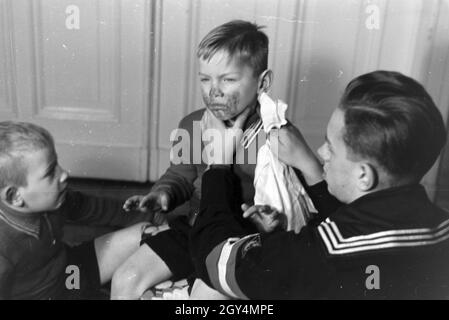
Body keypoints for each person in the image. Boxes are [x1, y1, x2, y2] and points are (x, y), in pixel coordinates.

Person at [190, 70, 449, 299]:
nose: (321, 152)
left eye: (331, 147)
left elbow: (217, 259)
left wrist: (219, 167)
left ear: (364, 176)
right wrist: (311, 170)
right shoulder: (441, 228)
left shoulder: (321, 254)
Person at [110, 20, 274, 299]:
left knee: (203, 296)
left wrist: (270, 215)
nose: (214, 90)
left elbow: (285, 204)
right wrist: (162, 194)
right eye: (205, 78)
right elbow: (180, 175)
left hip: (240, 241)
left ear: (262, 83)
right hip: (195, 229)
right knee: (126, 278)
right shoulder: (192, 125)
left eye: (228, 79)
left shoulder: (273, 136)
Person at [0, 121, 153, 299]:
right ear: (14, 196)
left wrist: (152, 215)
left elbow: (96, 208)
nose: (64, 174)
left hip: (71, 273)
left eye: (57, 163)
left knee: (148, 232)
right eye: (50, 173)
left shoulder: (55, 200)